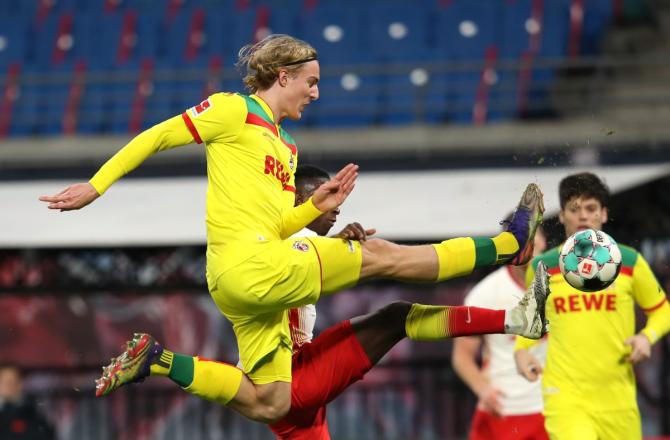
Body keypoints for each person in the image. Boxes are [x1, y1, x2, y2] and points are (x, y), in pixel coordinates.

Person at [40, 34, 546, 424]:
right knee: (383, 255)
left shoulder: (287, 147)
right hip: (249, 265)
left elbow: (278, 224)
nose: (317, 92)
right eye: (312, 81)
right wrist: (97, 185)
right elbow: (155, 136)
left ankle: (158, 358)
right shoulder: (233, 110)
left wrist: (314, 208)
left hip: (240, 283)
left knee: (272, 402)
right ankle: (510, 243)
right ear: (283, 76)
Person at [272, 164, 549, 439]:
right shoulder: (286, 238)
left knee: (396, 309)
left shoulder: (289, 247)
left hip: (288, 387)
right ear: (298, 200)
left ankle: (515, 309)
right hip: (294, 379)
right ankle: (509, 251)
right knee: (394, 291)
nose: (337, 206)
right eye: (327, 194)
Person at [514, 172, 670, 440]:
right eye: (574, 209)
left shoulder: (629, 261)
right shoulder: (543, 266)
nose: (583, 216)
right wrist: (521, 352)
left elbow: (662, 310)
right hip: (565, 398)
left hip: (618, 401)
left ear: (604, 214)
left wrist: (647, 337)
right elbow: (531, 322)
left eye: (591, 208)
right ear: (561, 216)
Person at [452, 225, 549, 440]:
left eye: (533, 237)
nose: (527, 246)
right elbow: (461, 356)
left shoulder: (565, 284)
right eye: (517, 240)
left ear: (543, 241)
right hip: (505, 410)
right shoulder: (484, 294)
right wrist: (483, 389)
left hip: (556, 408)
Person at [0, 365, 55, 440]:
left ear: (20, 384)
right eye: (4, 381)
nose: (9, 385)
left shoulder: (33, 413)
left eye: (13, 381)